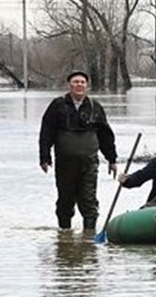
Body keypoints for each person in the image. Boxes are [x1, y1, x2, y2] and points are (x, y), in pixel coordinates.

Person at [39, 70, 118, 231]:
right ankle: (64, 237)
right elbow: (46, 133)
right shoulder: (57, 105)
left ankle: (89, 240)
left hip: (89, 163)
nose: (79, 85)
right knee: (65, 201)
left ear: (87, 86)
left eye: (82, 82)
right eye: (75, 82)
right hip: (65, 163)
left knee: (89, 201)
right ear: (69, 85)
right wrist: (44, 157)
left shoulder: (95, 107)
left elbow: (105, 135)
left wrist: (112, 159)